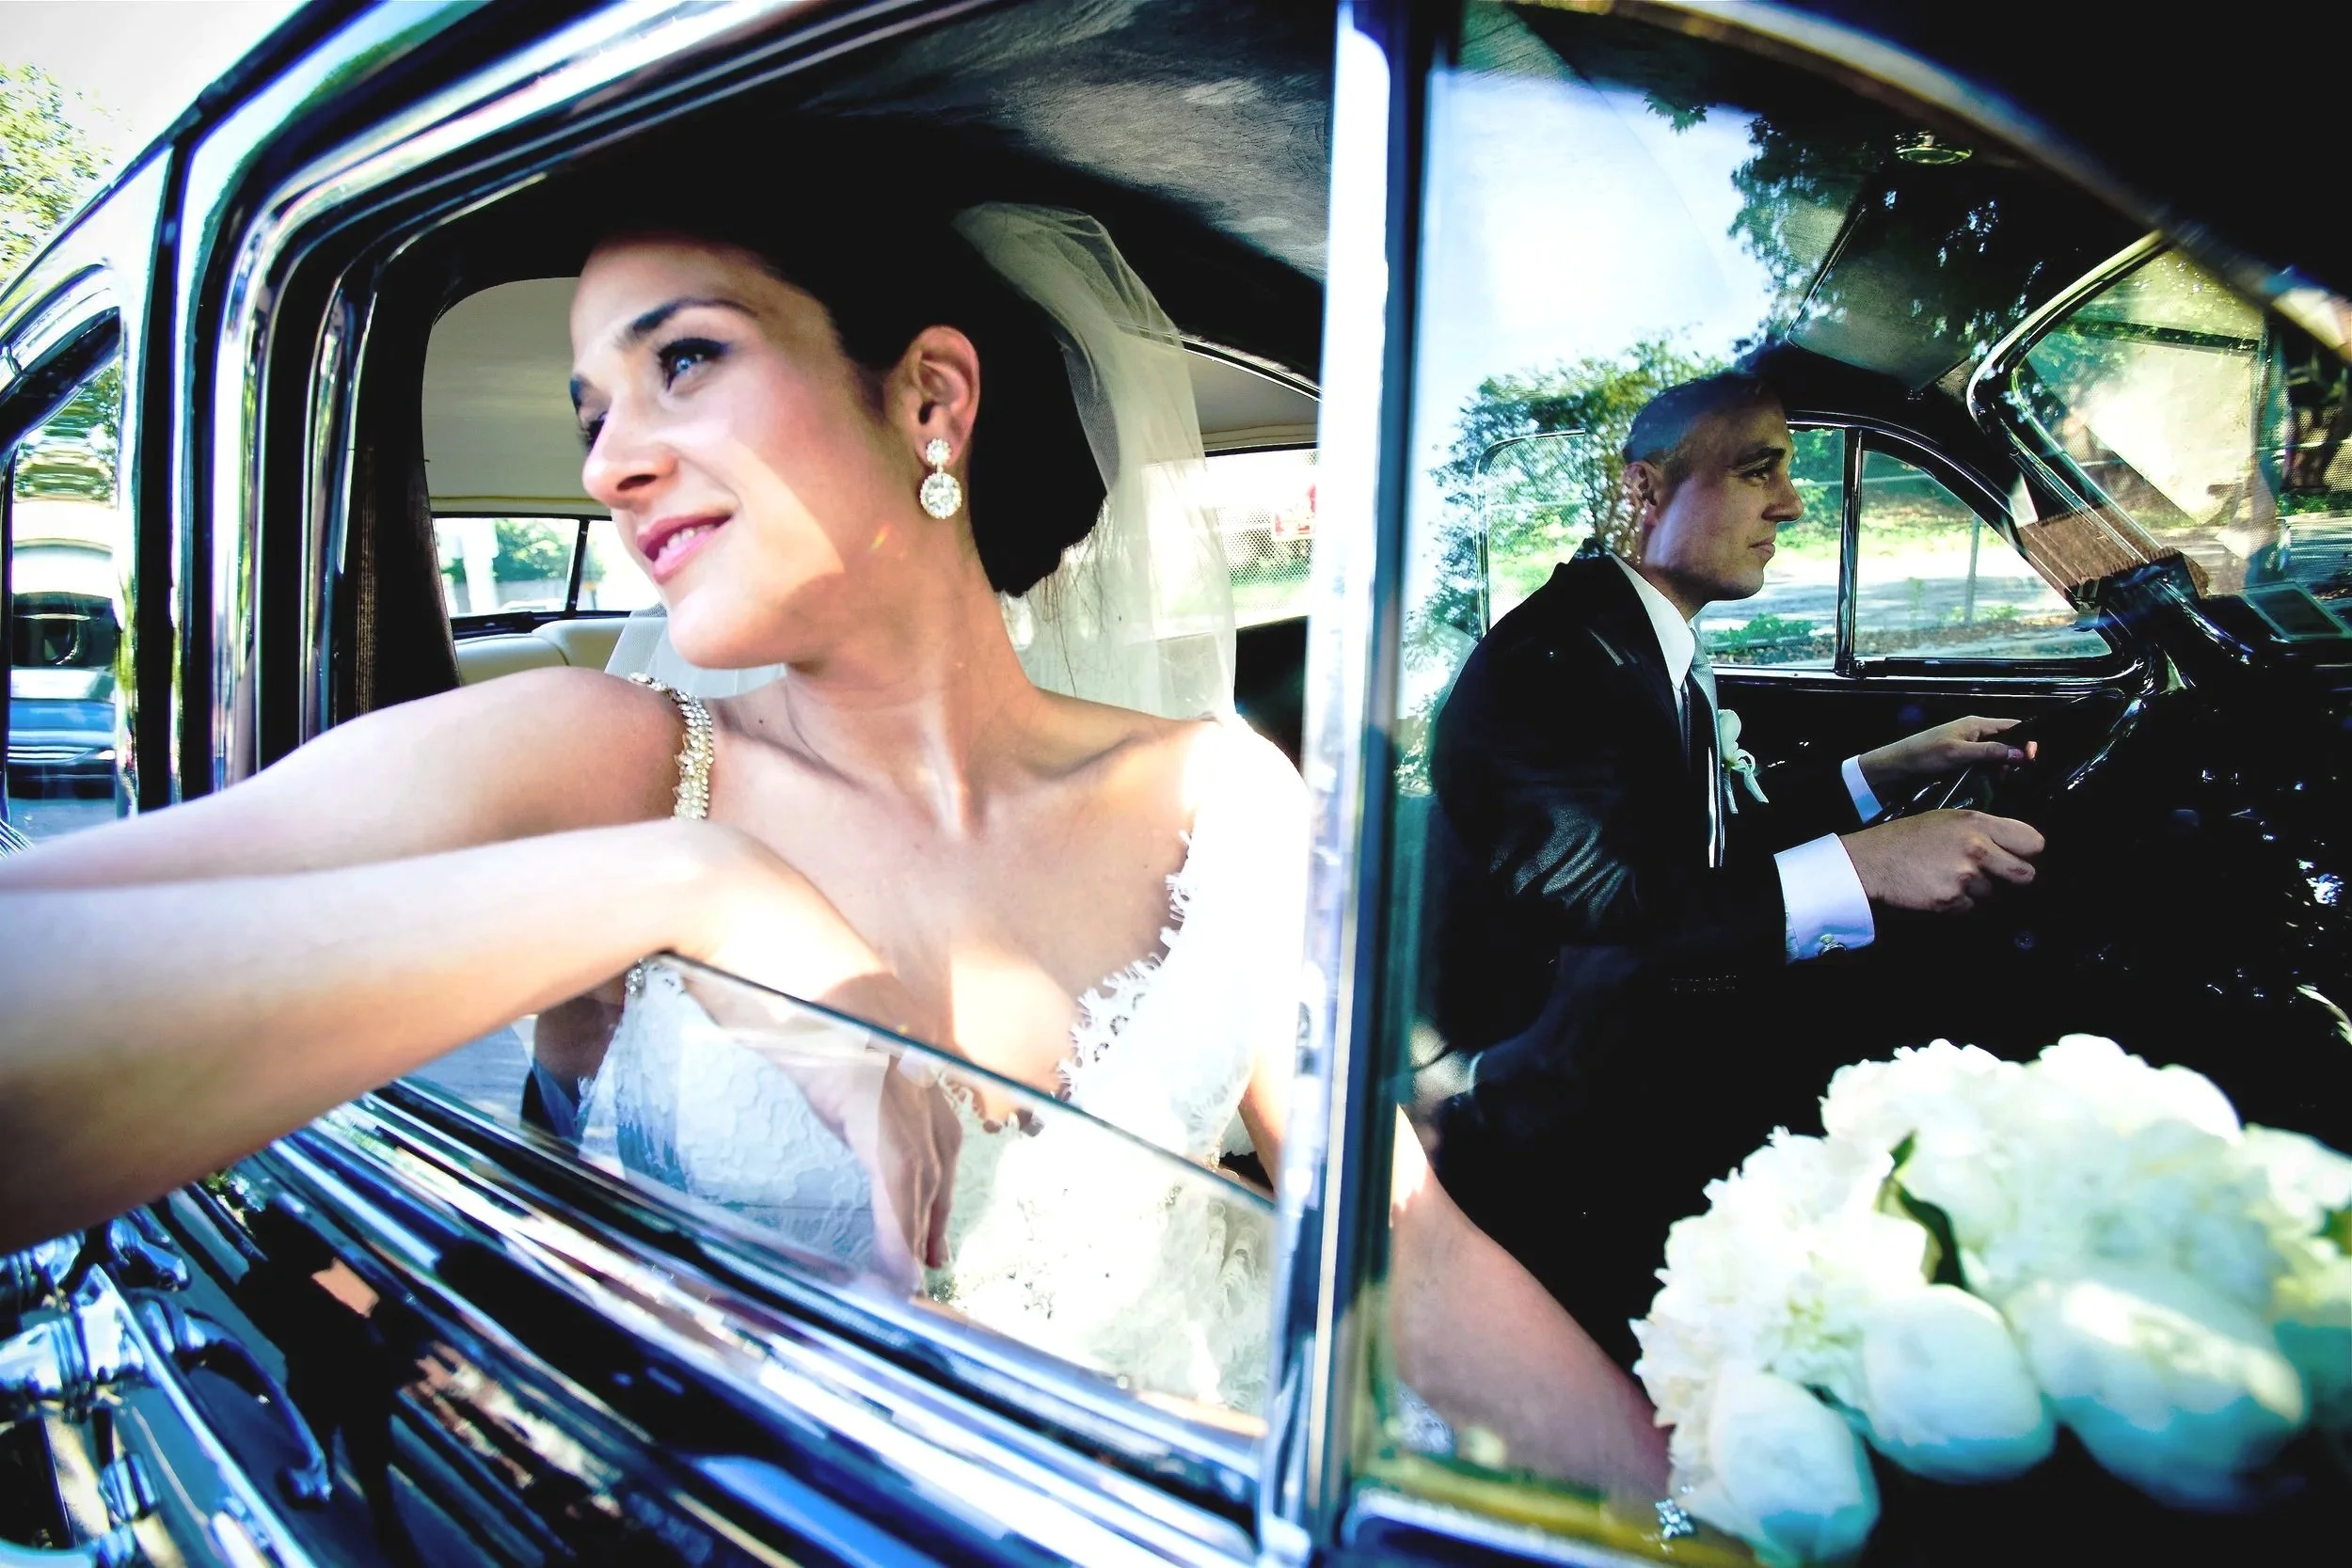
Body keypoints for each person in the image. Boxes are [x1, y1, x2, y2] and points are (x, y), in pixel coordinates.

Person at [0, 188, 1661, 1491]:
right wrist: (687, 884)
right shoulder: (611, 758)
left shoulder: (1226, 798)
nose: (615, 462)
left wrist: (1690, 1525)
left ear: (930, 398)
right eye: (591, 409)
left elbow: (1402, 1250)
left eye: (687, 358)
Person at [1425, 370, 2048, 1363]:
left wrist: (1882, 772)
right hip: (1575, 1117)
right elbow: (1610, 906)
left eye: (1788, 474)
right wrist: (1866, 866)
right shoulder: (1551, 665)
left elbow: (1703, 843)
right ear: (1643, 492)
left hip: (1640, 1048)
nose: (1792, 504)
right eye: (1759, 470)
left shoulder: (1629, 635)